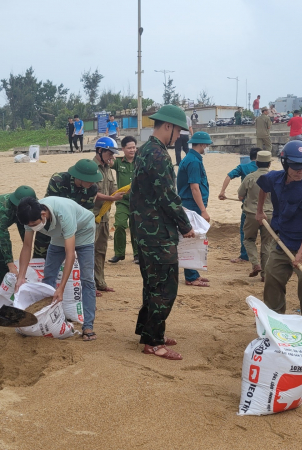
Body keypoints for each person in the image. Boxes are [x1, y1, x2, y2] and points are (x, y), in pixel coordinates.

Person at [131, 105, 194, 360]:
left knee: (152, 284)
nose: (178, 137)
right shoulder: (158, 155)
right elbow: (168, 197)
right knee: (165, 287)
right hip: (157, 233)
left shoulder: (144, 150)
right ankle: (154, 342)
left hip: (144, 231)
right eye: (178, 131)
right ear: (167, 126)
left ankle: (148, 331)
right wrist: (186, 226)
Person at [256, 140, 302, 343]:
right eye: (296, 167)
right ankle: (274, 320)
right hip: (282, 239)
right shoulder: (275, 178)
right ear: (285, 164)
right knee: (272, 277)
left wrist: (301, 253)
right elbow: (262, 187)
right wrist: (259, 211)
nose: (300, 171)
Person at [16, 196, 97, 341]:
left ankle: (88, 325)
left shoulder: (63, 213)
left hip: (83, 232)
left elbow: (70, 254)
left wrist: (61, 288)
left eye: (34, 224)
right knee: (49, 276)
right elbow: (27, 246)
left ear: (43, 214)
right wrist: (21, 277)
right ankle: (46, 320)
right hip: (59, 236)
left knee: (87, 279)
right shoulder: (29, 215)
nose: (32, 227)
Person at [32, 160, 100, 259]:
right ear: (80, 177)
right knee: (40, 259)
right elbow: (48, 208)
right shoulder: (58, 180)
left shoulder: (92, 188)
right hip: (49, 225)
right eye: (89, 179)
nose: (92, 182)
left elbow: (87, 214)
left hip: (72, 228)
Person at [177, 131, 213, 288]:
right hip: (191, 204)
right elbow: (194, 188)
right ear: (203, 144)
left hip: (190, 203)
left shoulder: (191, 159)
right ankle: (191, 276)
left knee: (194, 238)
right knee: (191, 239)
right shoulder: (194, 162)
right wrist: (203, 210)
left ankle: (194, 273)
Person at [92, 137, 124, 296]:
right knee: (88, 252)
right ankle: (89, 286)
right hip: (92, 217)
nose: (112, 156)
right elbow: (91, 194)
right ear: (100, 151)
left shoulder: (108, 170)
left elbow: (114, 189)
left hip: (104, 217)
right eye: (110, 153)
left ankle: (100, 282)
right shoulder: (91, 168)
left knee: (101, 251)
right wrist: (111, 199)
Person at [218, 147, 259, 264]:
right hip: (266, 207)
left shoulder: (244, 167)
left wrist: (222, 192)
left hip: (248, 207)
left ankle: (245, 256)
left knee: (244, 231)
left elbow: (228, 176)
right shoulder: (265, 169)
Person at [238, 150, 273, 280]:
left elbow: (241, 195)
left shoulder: (250, 177)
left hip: (252, 214)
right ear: (269, 164)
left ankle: (255, 263)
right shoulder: (275, 177)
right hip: (269, 214)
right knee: (267, 243)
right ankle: (265, 274)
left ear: (257, 163)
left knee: (248, 239)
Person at [109, 136, 139, 264]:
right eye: (129, 148)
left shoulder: (141, 161)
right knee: (120, 225)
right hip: (122, 201)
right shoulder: (119, 162)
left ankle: (138, 254)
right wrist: (111, 156)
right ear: (123, 149)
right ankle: (119, 254)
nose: (132, 150)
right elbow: (108, 162)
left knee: (136, 227)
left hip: (138, 201)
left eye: (134, 147)